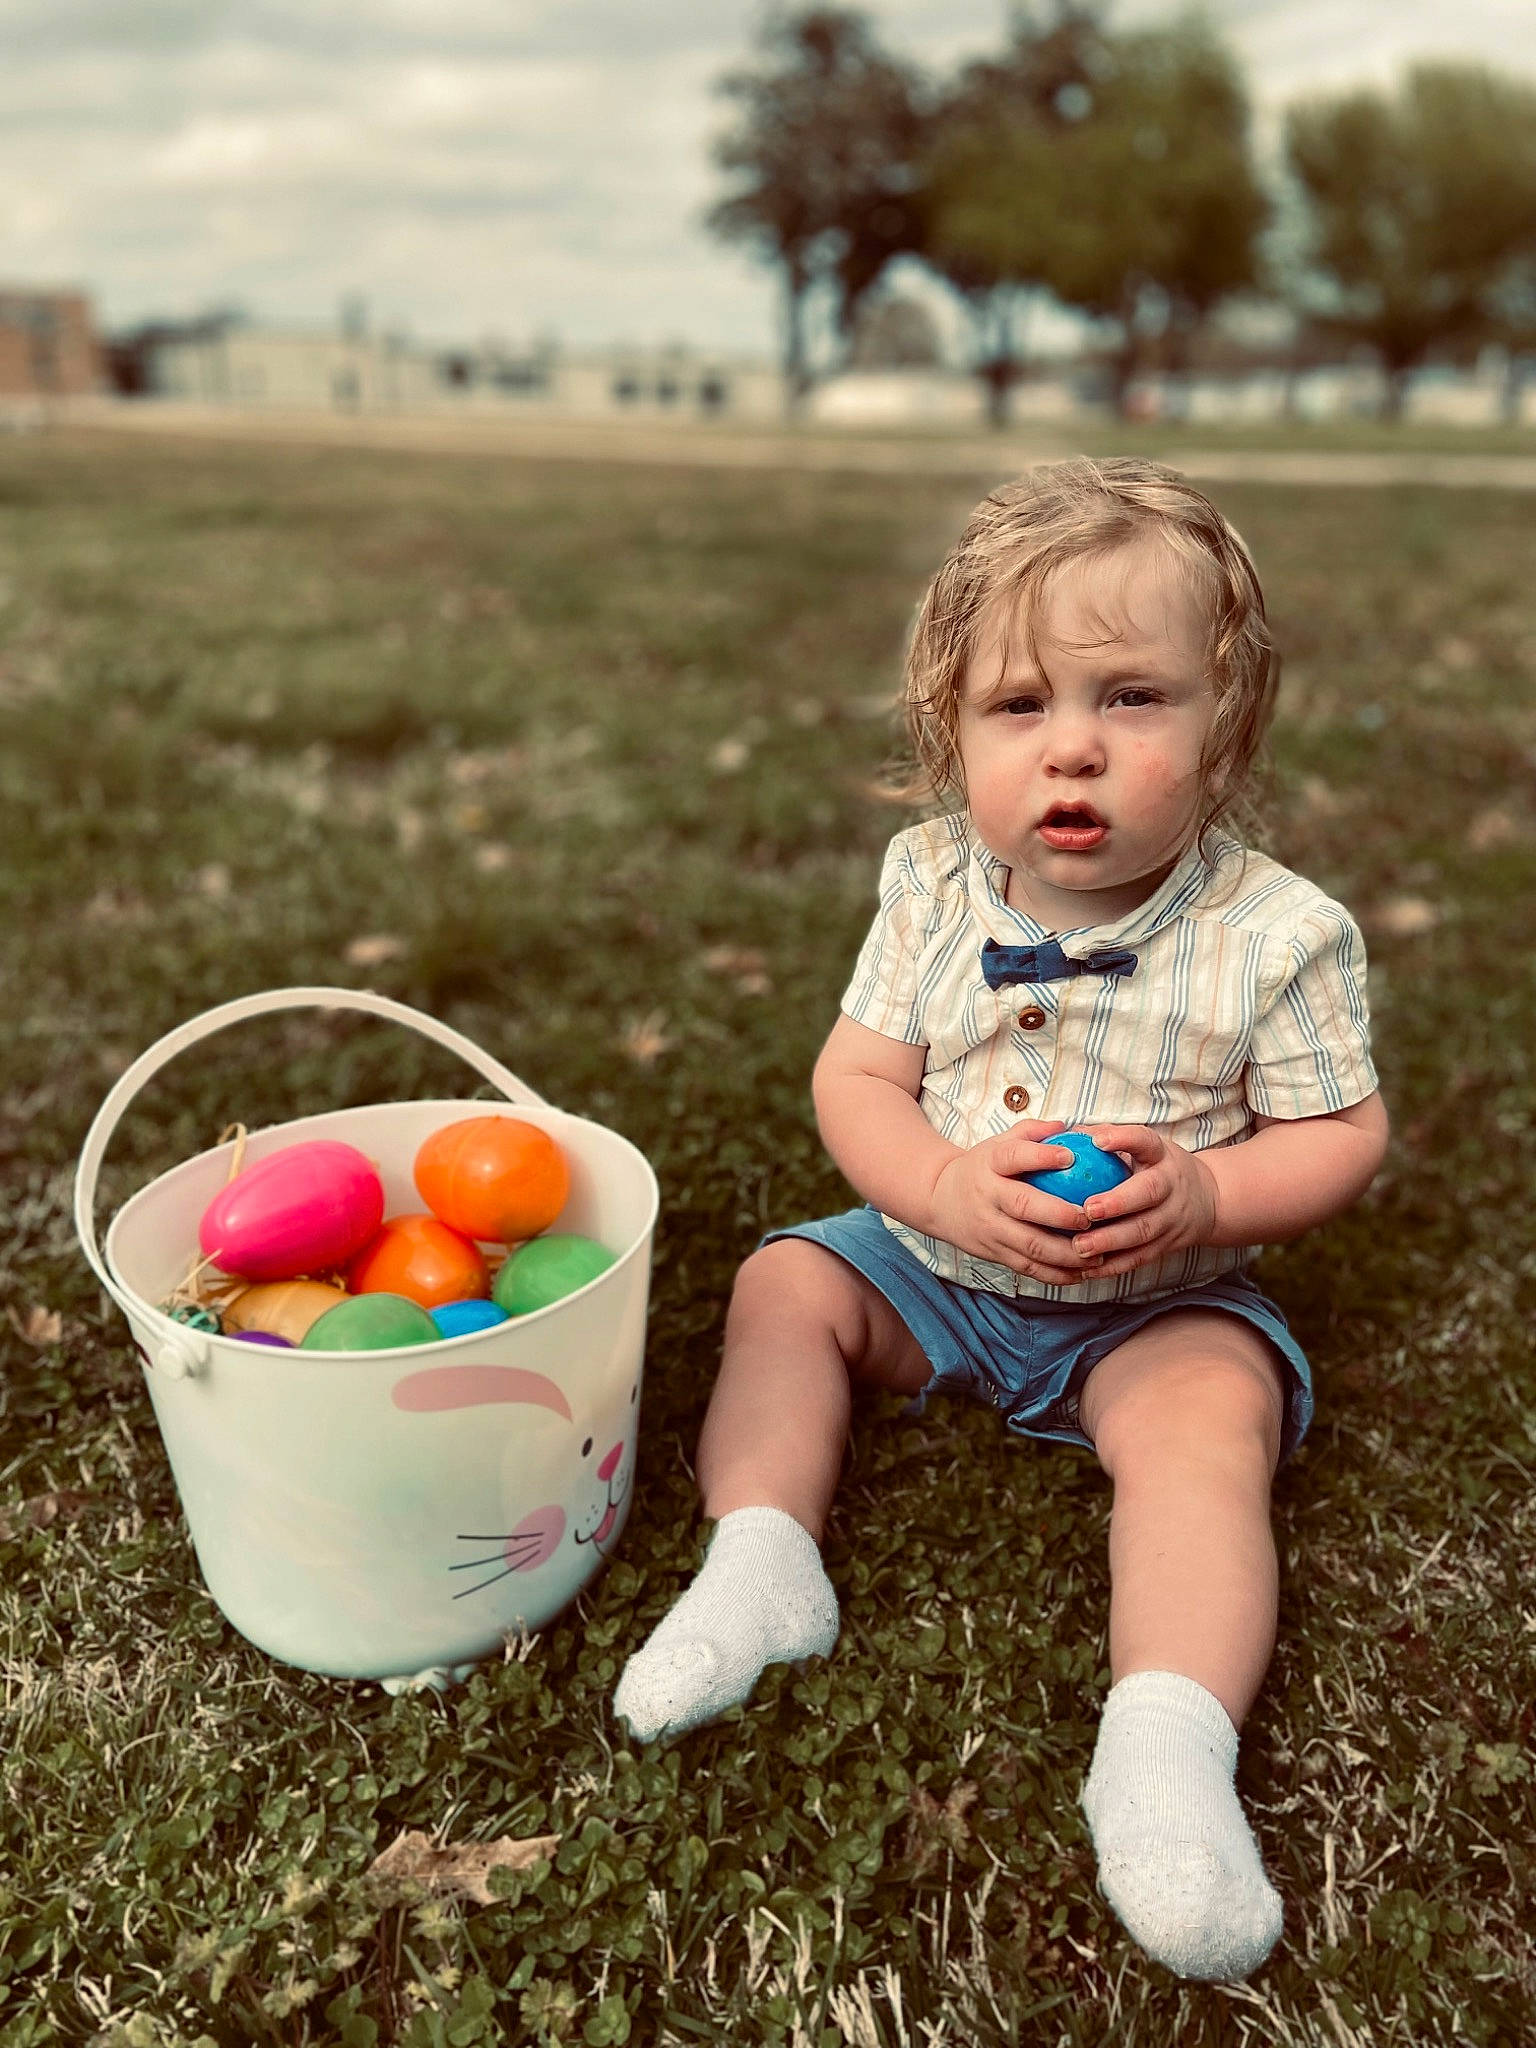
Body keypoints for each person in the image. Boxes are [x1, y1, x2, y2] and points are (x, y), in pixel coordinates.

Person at [613, 457, 1388, 1981]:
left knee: (1204, 1428)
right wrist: (942, 1185)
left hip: (1151, 1310)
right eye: (1020, 706)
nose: (1075, 752)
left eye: (1136, 700)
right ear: (947, 733)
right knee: (784, 1288)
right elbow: (857, 1081)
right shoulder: (930, 887)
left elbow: (1343, 1134)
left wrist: (1214, 1192)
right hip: (931, 1272)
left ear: (1227, 730)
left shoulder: (1278, 935)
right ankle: (763, 1564)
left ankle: (1163, 1750)